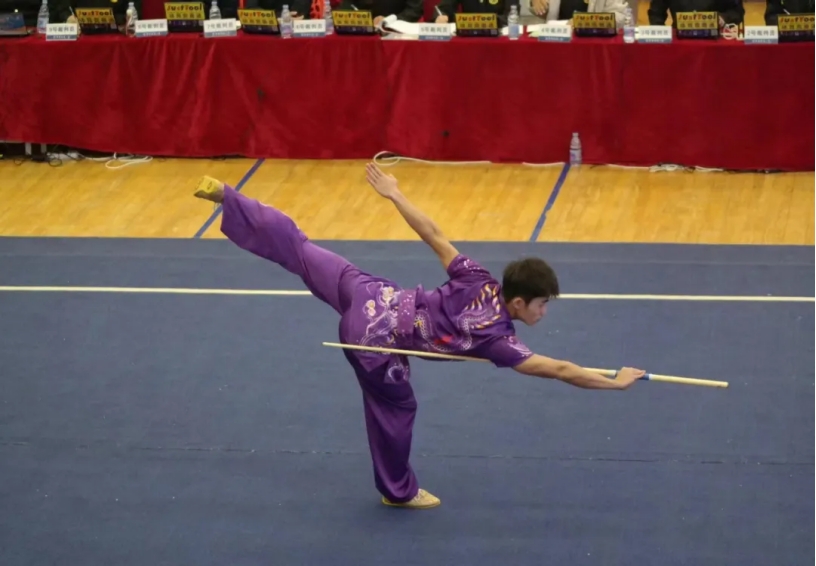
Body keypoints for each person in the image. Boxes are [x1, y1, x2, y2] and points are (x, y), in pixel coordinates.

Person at [193, 164, 645, 510]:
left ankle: (231, 199)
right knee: (396, 407)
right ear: (519, 302)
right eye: (542, 304)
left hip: (369, 293)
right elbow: (561, 370)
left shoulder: (478, 277)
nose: (545, 312)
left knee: (300, 247)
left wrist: (395, 193)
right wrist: (615, 383)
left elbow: (433, 234)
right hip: (374, 342)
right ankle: (398, 492)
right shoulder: (498, 340)